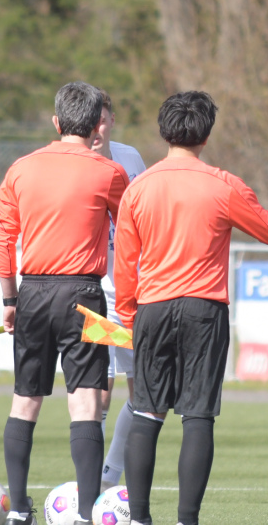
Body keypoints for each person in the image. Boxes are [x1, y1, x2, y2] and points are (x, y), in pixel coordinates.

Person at [113, 91, 268, 525]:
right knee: (198, 415)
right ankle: (187, 520)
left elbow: (126, 266)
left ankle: (139, 518)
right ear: (206, 135)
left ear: (163, 131)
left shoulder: (138, 189)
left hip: (152, 308)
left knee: (146, 413)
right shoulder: (223, 185)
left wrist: (130, 318)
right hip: (203, 310)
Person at [0, 81, 129, 524]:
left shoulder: (20, 170)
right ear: (95, 125)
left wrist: (9, 298)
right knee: (87, 403)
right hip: (84, 294)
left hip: (32, 291)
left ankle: (18, 510)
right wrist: (130, 298)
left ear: (56, 122)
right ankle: (88, 514)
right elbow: (131, 237)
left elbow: (4, 238)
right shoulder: (109, 172)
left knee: (24, 401)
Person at [89, 89, 148, 491]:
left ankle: (110, 476)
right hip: (94, 296)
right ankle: (92, 480)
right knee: (100, 392)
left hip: (134, 295)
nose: (97, 128)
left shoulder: (131, 159)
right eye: (90, 120)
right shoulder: (75, 165)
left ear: (111, 121)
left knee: (143, 390)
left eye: (103, 119)